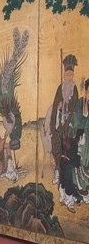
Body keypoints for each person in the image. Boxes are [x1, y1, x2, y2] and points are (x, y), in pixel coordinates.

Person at [50, 54, 80, 210]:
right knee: (57, 147)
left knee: (69, 154)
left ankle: (69, 186)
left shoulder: (74, 89)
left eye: (71, 74)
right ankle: (57, 169)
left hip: (70, 125)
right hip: (60, 122)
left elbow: (76, 107)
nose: (69, 77)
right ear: (64, 75)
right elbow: (55, 105)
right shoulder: (59, 88)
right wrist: (59, 106)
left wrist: (70, 121)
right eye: (67, 74)